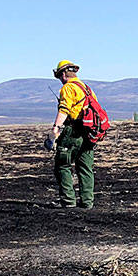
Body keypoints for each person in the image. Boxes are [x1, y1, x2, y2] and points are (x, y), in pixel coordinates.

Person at [44, 60, 96, 208]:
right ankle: (87, 202)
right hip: (88, 132)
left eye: (60, 76)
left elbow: (64, 109)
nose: (60, 79)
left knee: (62, 165)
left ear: (64, 74)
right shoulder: (87, 88)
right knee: (85, 167)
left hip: (72, 132)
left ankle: (68, 202)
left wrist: (55, 129)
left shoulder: (68, 88)